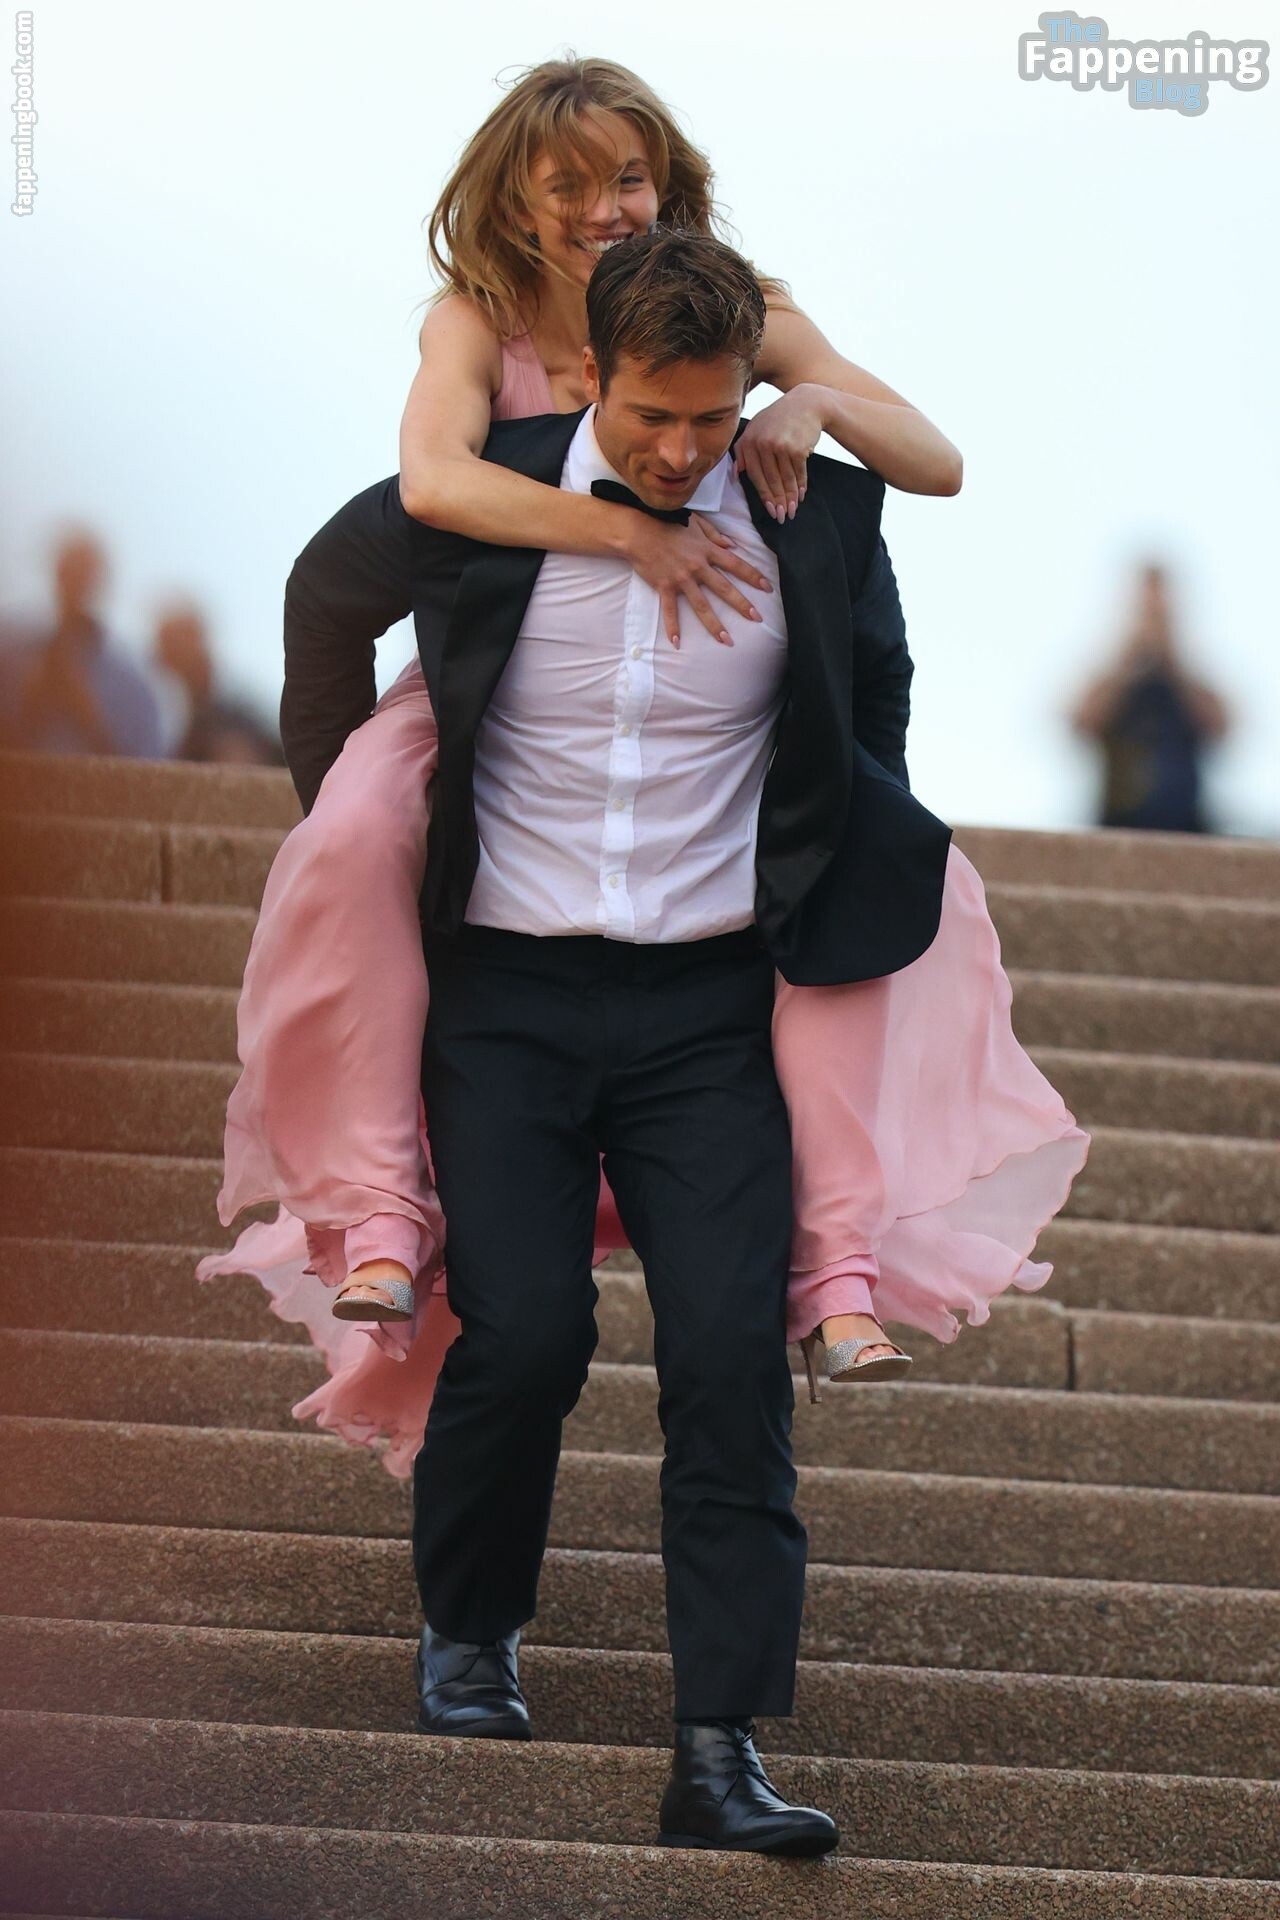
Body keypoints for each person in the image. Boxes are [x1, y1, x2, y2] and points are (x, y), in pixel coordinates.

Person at [197, 56, 1086, 1472]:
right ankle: (379, 1207)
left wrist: (808, 406)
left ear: (667, 185)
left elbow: (936, 460)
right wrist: (627, 530)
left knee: (878, 866)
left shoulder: (738, 311)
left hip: (693, 723)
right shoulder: (478, 322)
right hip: (499, 687)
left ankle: (838, 1259)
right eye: (568, 186)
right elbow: (432, 483)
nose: (604, 207)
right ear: (515, 201)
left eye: (628, 178)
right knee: (358, 825)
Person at [1069, 559, 1230, 832]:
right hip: (1118, 823)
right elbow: (1081, 723)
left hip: (1188, 825)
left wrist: (1172, 657)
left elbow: (1220, 727)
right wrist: (1127, 658)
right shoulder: (1113, 677)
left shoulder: (1187, 679)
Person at [0, 529, 168, 758]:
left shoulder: (130, 680)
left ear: (100, 582)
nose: (76, 587)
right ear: (56, 575)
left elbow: (148, 763)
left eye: (84, 576)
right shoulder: (10, 654)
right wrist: (29, 704)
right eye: (69, 574)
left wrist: (88, 716)